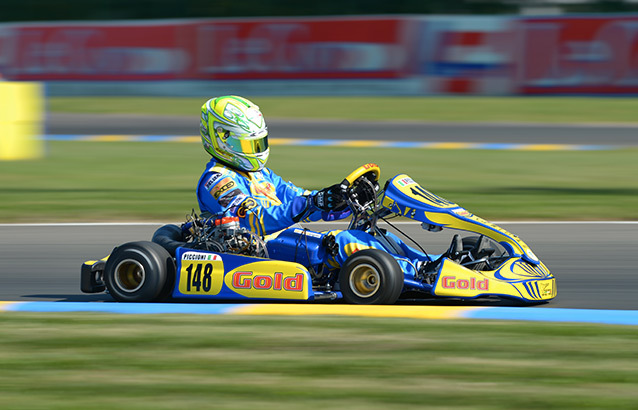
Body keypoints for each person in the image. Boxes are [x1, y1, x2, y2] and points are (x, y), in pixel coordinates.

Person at [196, 95, 429, 277]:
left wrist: (340, 199)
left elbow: (299, 198)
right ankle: (418, 273)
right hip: (259, 250)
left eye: (259, 143)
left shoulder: (261, 174)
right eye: (248, 144)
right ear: (222, 138)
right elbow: (255, 218)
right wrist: (309, 203)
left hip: (287, 241)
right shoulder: (216, 180)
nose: (256, 151)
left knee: (375, 236)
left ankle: (431, 264)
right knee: (343, 243)